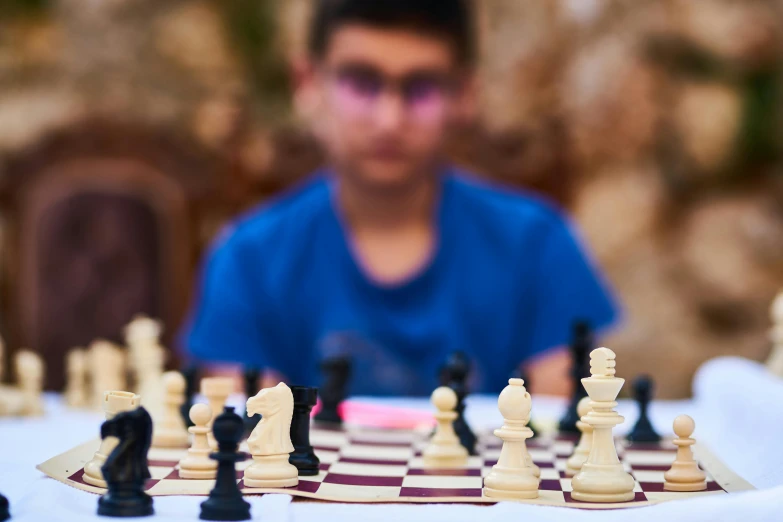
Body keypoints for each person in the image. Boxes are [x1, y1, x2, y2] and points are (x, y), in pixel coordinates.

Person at [182, 0, 619, 397]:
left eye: (420, 87)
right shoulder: (247, 257)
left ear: (464, 94)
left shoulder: (539, 243)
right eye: (361, 82)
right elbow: (245, 441)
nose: (389, 120)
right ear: (308, 82)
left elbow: (562, 428)